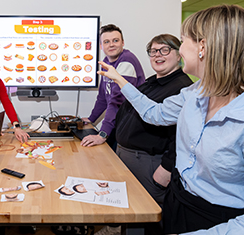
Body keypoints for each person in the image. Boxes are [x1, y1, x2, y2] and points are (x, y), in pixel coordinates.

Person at [99, 5, 244, 234]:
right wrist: (119, 80)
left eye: (183, 41)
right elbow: (154, 113)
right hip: (178, 202)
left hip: (219, 221)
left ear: (203, 47)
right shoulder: (193, 94)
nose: (180, 48)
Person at [115, 34, 193, 206]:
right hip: (127, 158)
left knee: (145, 215)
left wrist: (166, 168)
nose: (158, 55)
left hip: (148, 163)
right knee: (129, 211)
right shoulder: (151, 83)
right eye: (153, 51)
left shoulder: (182, 88)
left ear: (179, 54)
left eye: (165, 50)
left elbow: (184, 136)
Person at [81, 24, 145, 149]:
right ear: (101, 46)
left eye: (115, 40)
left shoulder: (126, 60)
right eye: (106, 42)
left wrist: (102, 134)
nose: (111, 45)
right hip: (118, 122)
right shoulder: (106, 62)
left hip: (130, 126)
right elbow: (103, 97)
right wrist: (91, 119)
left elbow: (117, 101)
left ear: (123, 43)